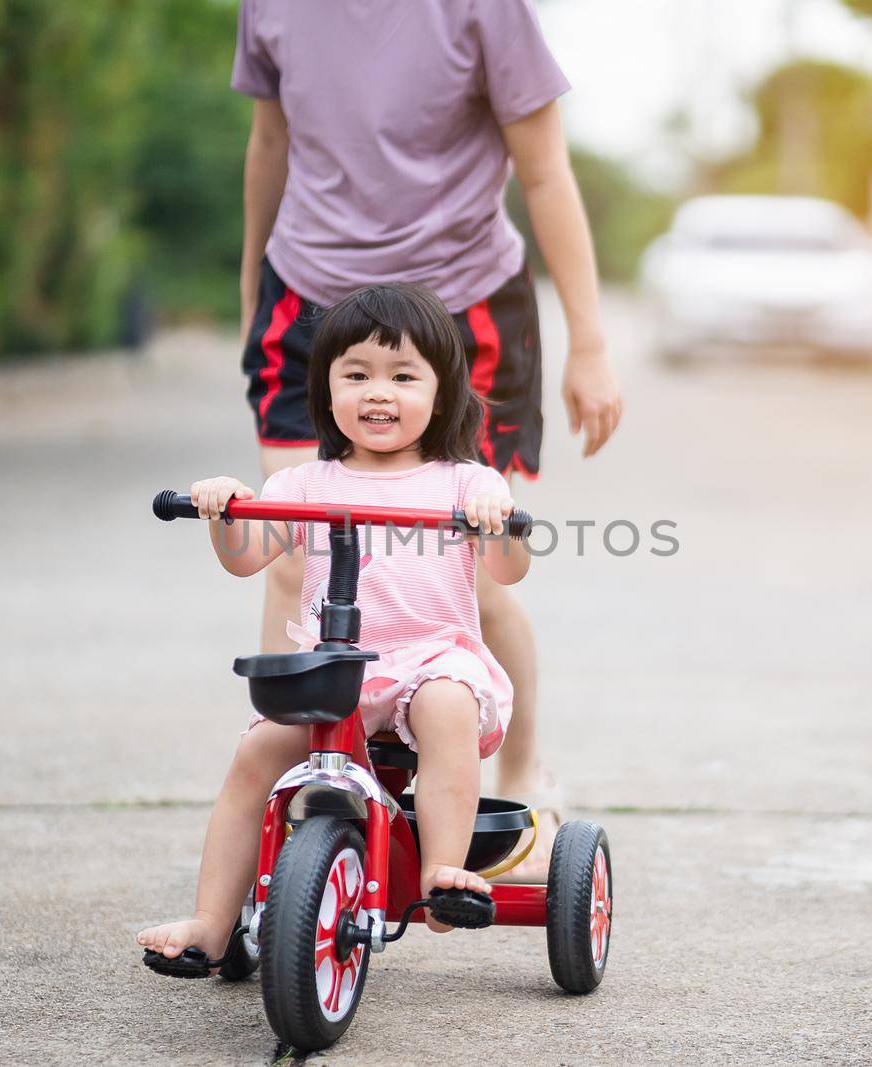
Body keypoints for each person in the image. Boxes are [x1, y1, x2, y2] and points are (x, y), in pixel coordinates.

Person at [232, 0, 622, 879]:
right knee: (301, 551)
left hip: (463, 303)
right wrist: (252, 283)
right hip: (311, 296)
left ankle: (518, 774)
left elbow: (546, 169)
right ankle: (315, 777)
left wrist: (589, 343)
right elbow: (269, 145)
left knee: (467, 572)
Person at [138, 283, 531, 963]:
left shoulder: (462, 482)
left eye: (403, 376)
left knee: (445, 706)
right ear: (325, 393)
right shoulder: (304, 485)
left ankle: (442, 873)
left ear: (441, 394)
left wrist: (498, 512)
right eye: (356, 375)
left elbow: (510, 568)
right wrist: (226, 510)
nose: (378, 392)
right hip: (338, 664)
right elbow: (245, 559)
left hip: (434, 657)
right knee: (255, 755)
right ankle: (210, 918)